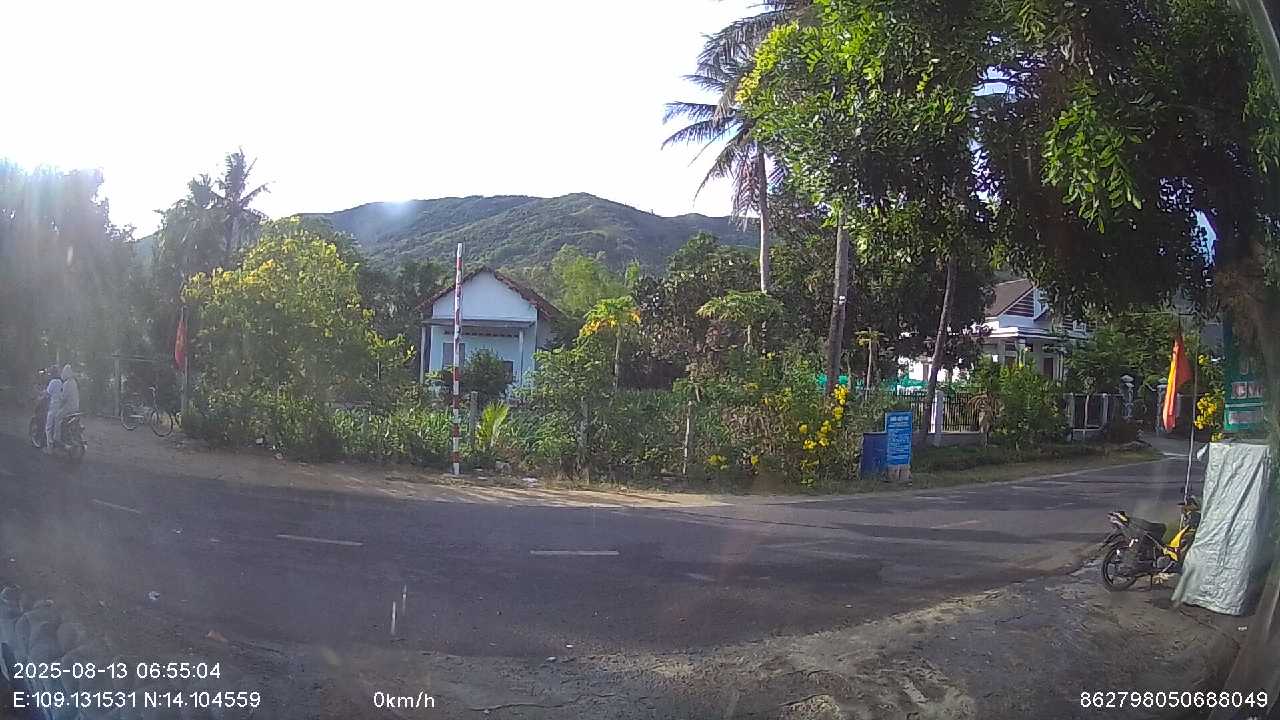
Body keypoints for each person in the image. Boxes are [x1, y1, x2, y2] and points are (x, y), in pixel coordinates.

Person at [42, 365, 63, 453]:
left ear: (52, 373)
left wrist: (41, 394)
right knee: (57, 426)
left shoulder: (53, 382)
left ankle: (49, 447)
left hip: (53, 406)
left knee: (48, 428)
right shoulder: (61, 382)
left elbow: (47, 393)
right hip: (61, 407)